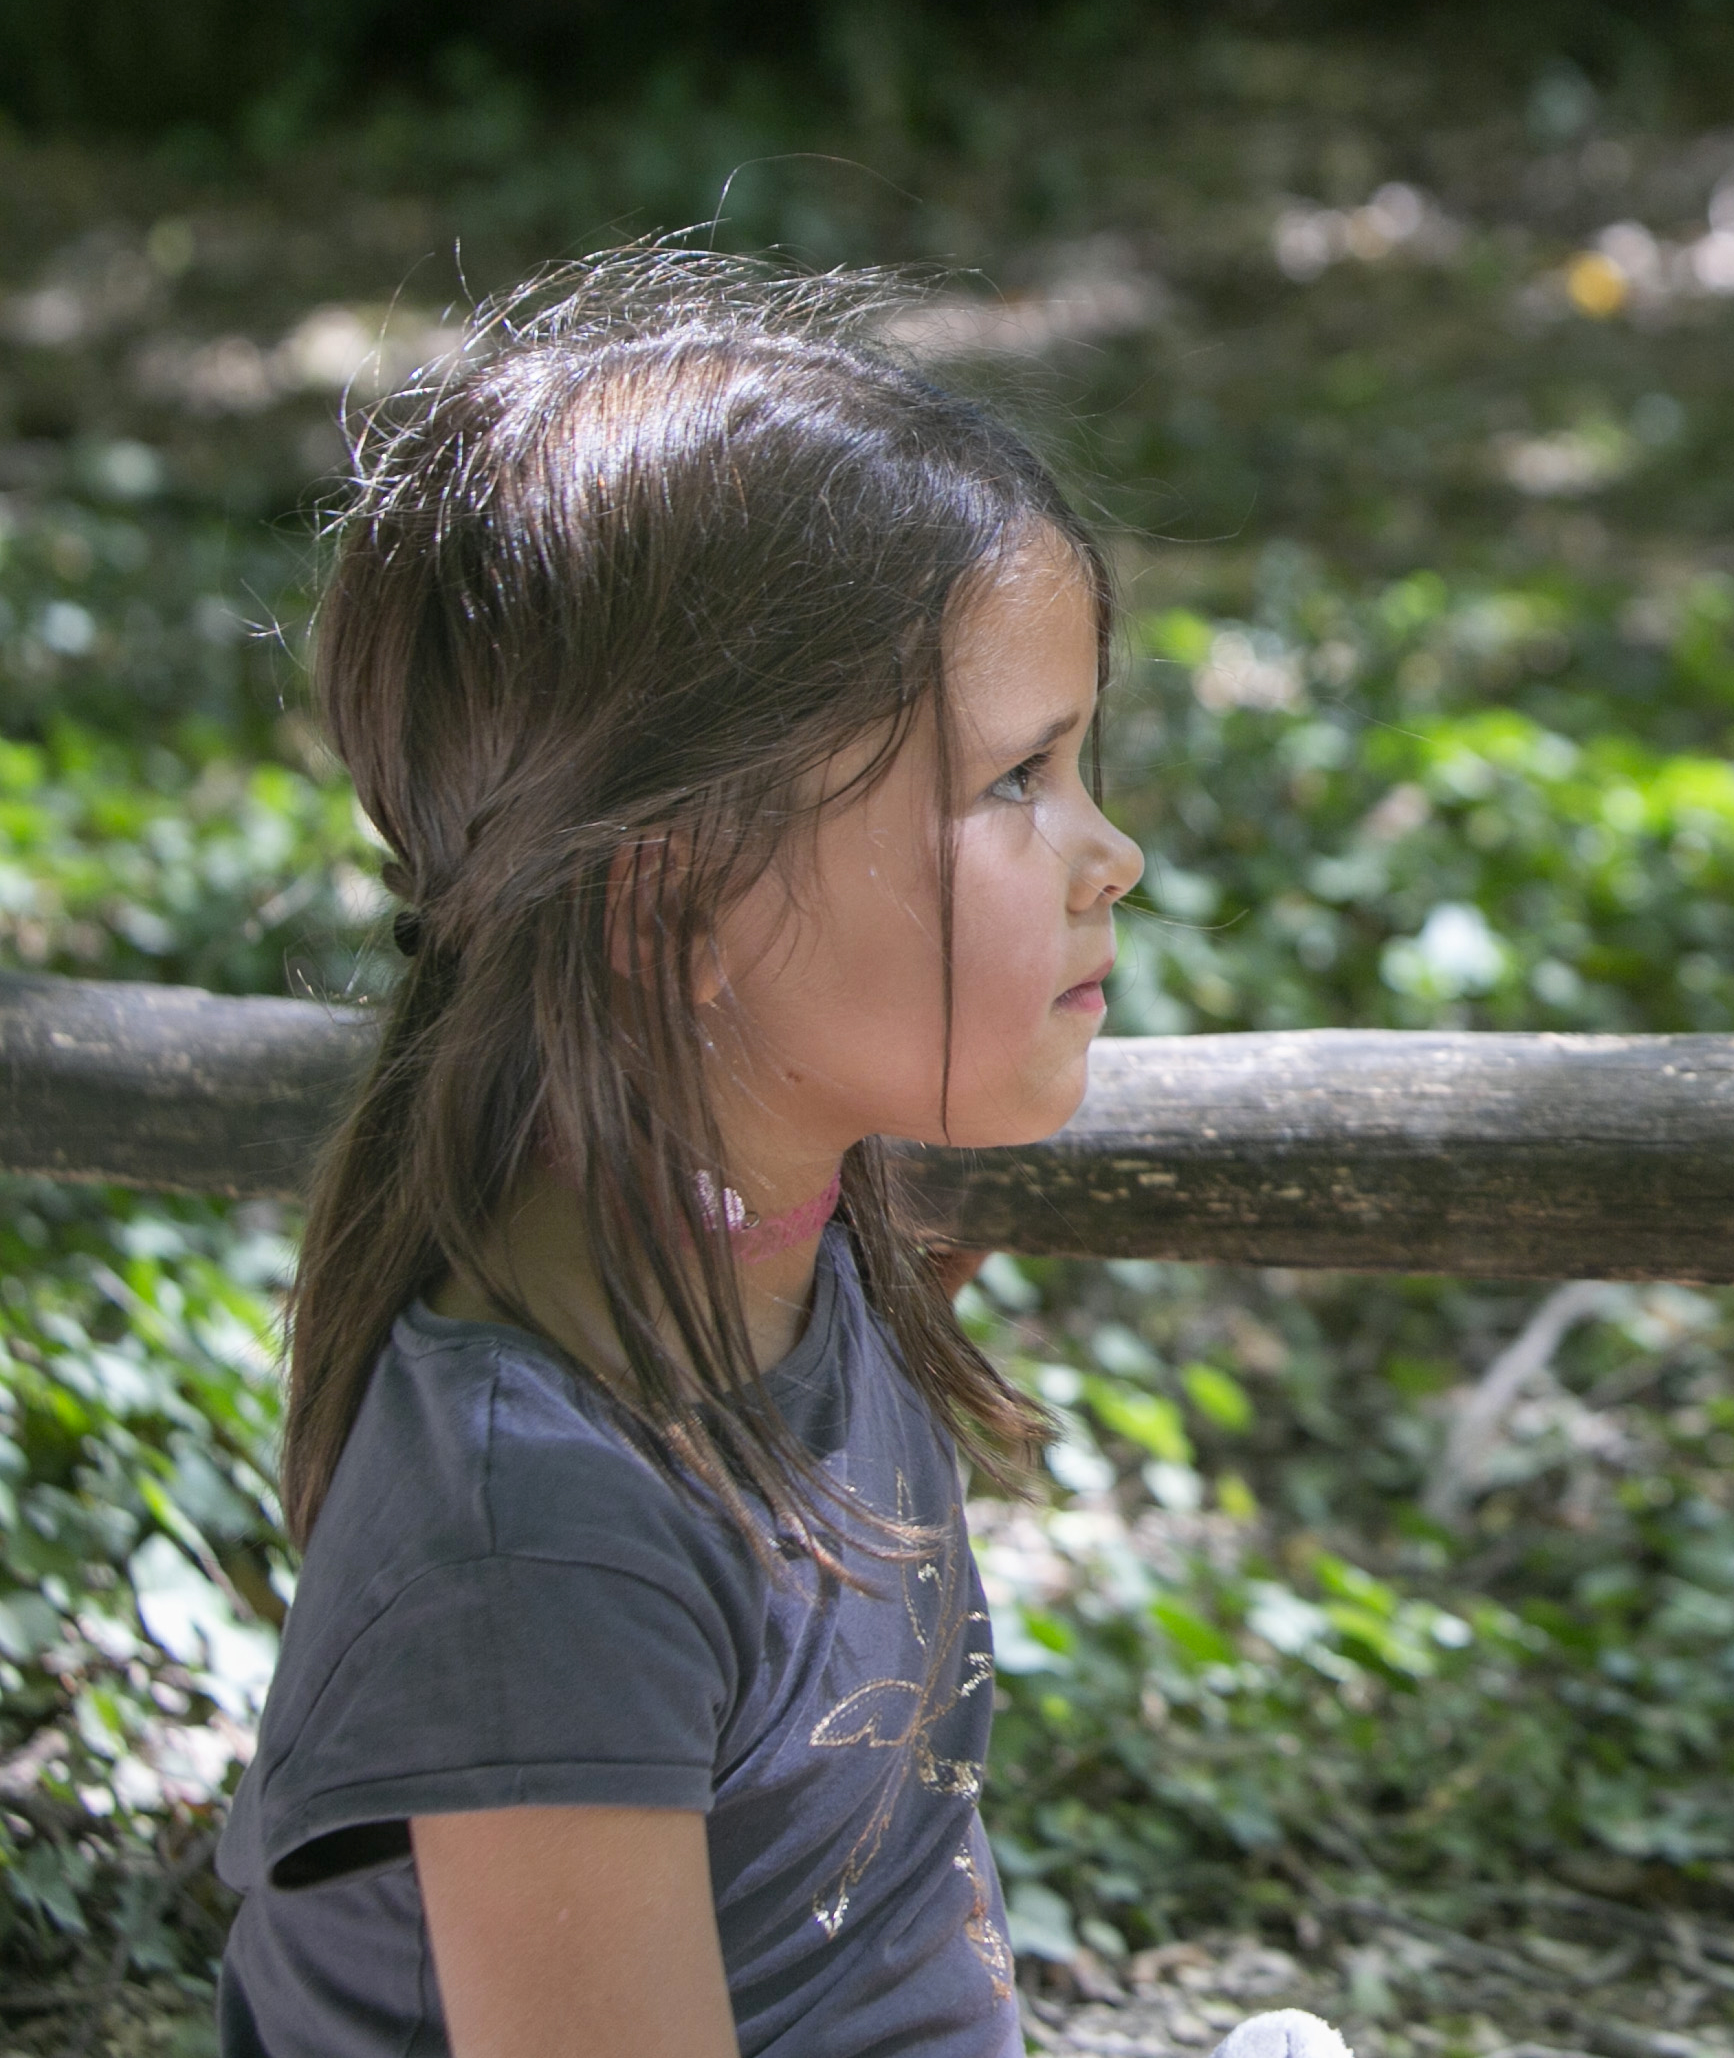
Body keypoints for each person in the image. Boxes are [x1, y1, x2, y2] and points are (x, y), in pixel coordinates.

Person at [212, 262, 1341, 2058]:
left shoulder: (786, 1229)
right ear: (684, 899)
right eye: (1015, 782)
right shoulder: (545, 1539)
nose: (1107, 851)